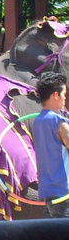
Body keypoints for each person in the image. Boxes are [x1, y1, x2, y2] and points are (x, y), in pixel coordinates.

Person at [32, 74, 69, 218]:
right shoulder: (59, 122)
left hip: (48, 192)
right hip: (64, 193)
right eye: (64, 94)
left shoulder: (38, 121)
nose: (65, 98)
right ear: (55, 95)